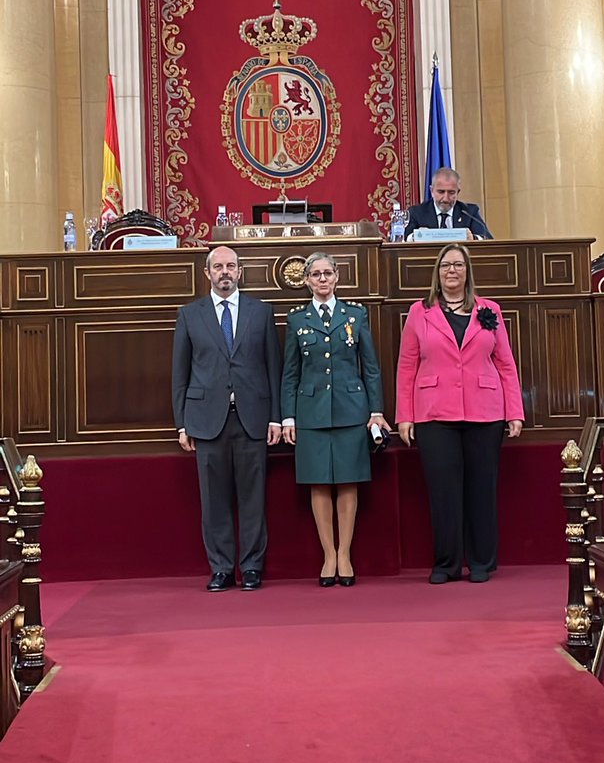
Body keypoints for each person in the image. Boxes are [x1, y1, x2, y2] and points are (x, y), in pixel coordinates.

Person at [395, 242, 523, 583]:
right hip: (434, 413)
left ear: (468, 272)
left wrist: (515, 411)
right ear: (437, 274)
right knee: (443, 491)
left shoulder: (489, 309)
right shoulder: (420, 312)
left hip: (485, 411)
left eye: (458, 265)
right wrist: (404, 415)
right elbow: (407, 366)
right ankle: (446, 564)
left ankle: (481, 562)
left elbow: (506, 364)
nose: (452, 270)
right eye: (446, 265)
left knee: (482, 487)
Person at [172, 245, 282, 591]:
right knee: (213, 500)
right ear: (207, 273)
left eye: (231, 266)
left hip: (253, 418)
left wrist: (276, 418)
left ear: (240, 271)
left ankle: (251, 567)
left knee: (253, 499)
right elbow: (180, 372)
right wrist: (182, 423)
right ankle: (220, 568)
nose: (225, 272)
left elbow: (273, 368)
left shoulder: (260, 312)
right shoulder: (190, 315)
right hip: (206, 420)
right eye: (218, 266)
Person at [281, 251, 391, 587]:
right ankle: (328, 554)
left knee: (347, 482)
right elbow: (290, 372)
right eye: (316, 274)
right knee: (318, 483)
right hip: (311, 412)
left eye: (328, 273)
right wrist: (288, 417)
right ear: (307, 281)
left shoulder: (355, 315)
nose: (322, 279)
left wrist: (375, 411)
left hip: (350, 409)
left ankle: (345, 554)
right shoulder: (298, 319)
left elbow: (370, 368)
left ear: (337, 276)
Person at [403, 166, 492, 240]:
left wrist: (474, 238)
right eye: (441, 192)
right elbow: (405, 238)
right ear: (432, 191)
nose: (446, 199)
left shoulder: (469, 212)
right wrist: (416, 236)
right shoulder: (417, 212)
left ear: (458, 192)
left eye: (451, 193)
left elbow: (487, 238)